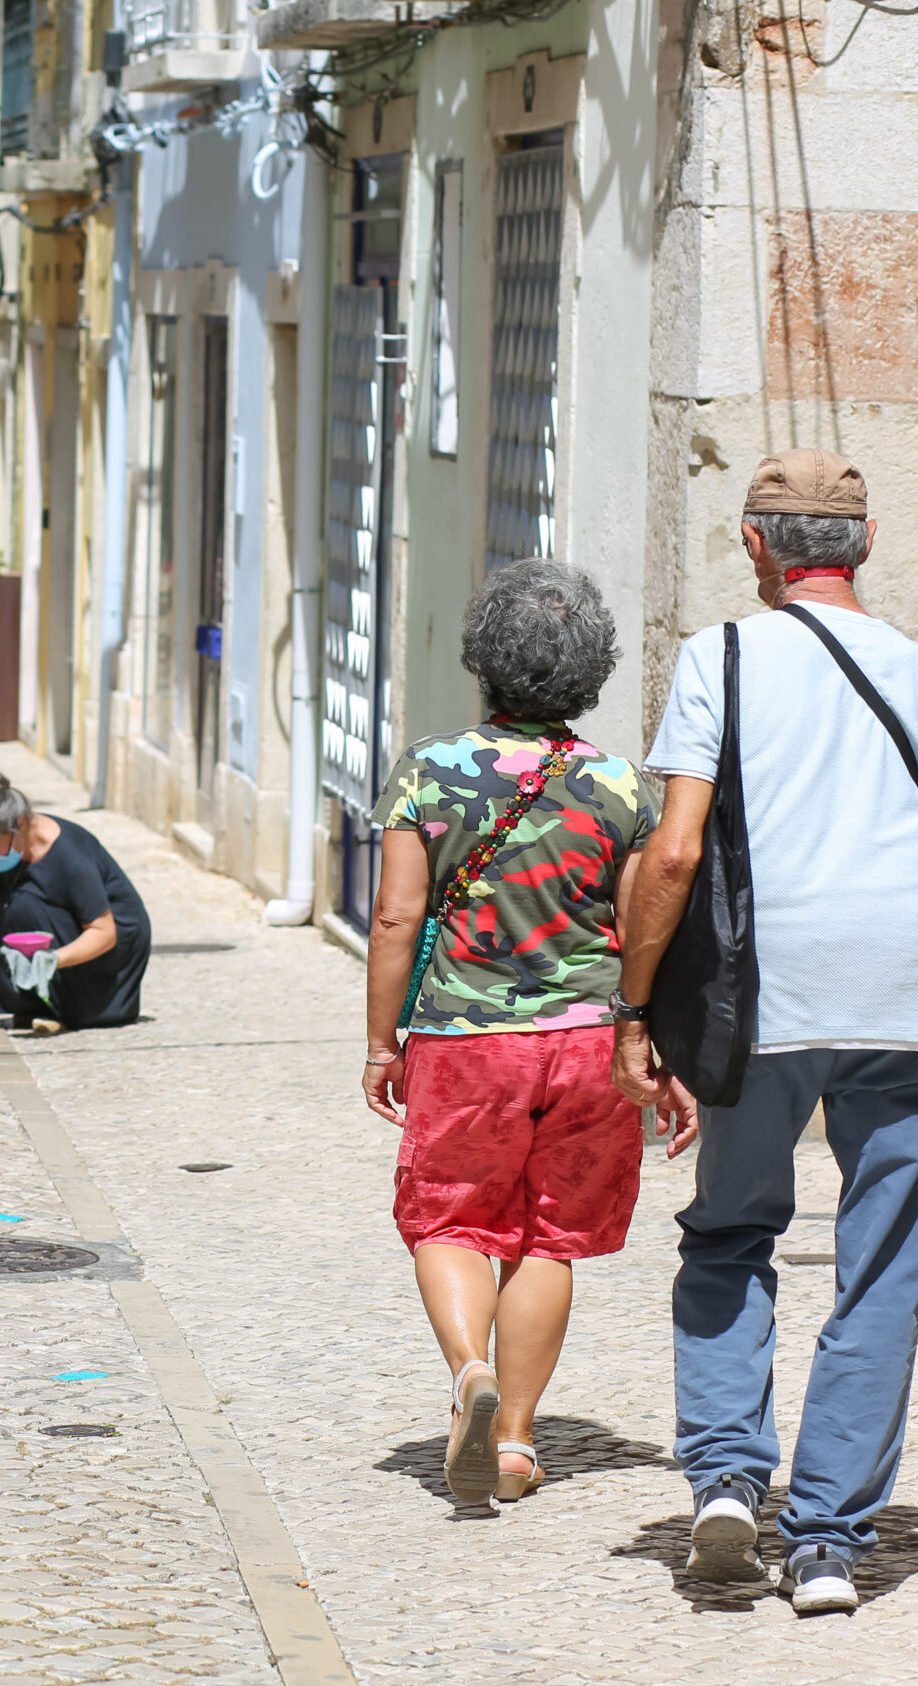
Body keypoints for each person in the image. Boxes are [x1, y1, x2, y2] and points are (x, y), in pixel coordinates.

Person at [614, 450, 918, 1614]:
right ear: (865, 545)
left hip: (769, 991)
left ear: (755, 544)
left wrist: (634, 1008)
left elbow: (673, 852)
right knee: (883, 1266)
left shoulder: (719, 656)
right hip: (916, 994)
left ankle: (725, 1478)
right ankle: (828, 1547)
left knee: (729, 1230)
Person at [361, 560, 685, 1507]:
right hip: (590, 1045)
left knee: (450, 1218)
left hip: (467, 1044)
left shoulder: (429, 771)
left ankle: (471, 1371)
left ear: (484, 659)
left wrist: (383, 1043)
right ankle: (512, 1443)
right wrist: (654, 1044)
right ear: (592, 669)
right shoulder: (623, 786)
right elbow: (645, 933)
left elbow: (395, 917)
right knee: (550, 1238)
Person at [0, 773, 149, 1036]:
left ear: (20, 825)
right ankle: (32, 1005)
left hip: (109, 957)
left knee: (21, 908)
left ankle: (61, 1007)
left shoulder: (71, 856)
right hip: (58, 926)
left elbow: (104, 932)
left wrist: (52, 961)